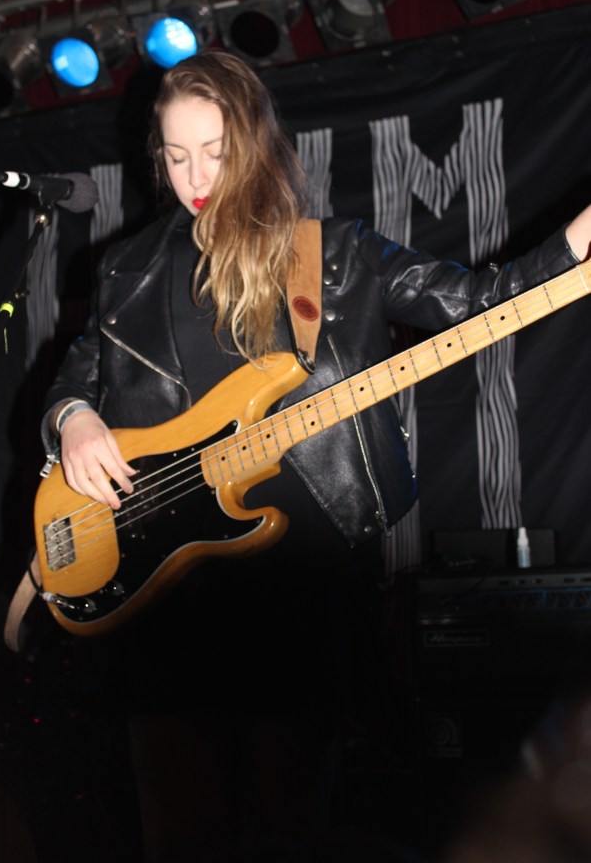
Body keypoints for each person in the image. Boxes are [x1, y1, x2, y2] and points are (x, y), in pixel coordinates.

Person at [39, 50, 591, 862]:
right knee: (177, 836)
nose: (194, 176)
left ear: (254, 148)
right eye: (176, 154)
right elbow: (77, 369)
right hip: (167, 591)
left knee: (288, 834)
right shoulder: (128, 266)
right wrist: (75, 419)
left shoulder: (329, 257)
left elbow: (476, 303)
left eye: (215, 152)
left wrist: (576, 243)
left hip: (296, 587)